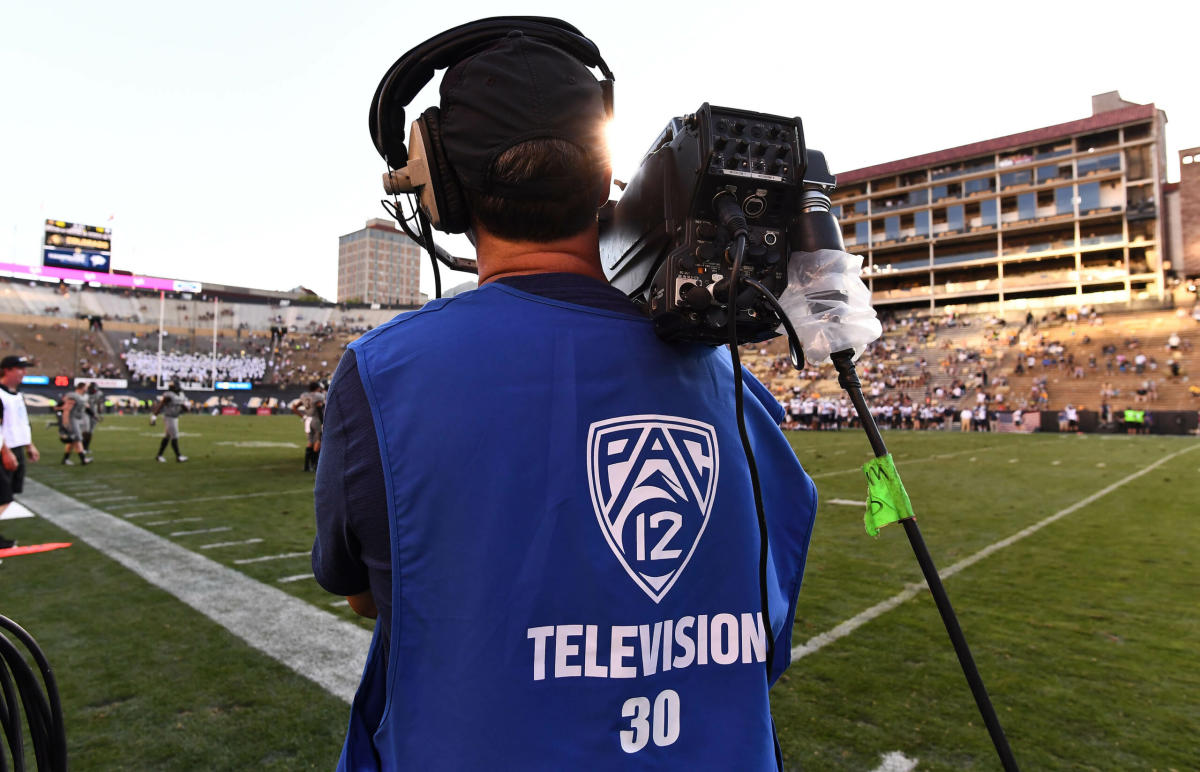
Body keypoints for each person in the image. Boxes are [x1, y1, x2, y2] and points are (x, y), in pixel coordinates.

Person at [311, 21, 818, 769]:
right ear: (602, 177)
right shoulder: (734, 387)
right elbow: (764, 632)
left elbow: (366, 593)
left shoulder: (384, 375)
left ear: (444, 186)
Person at [0, 356, 42, 549]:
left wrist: (28, 444)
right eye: (20, 369)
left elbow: (21, 422)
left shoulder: (16, 394)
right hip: (3, 450)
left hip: (16, 448)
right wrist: (5, 451)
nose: (24, 373)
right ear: (7, 370)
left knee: (10, 494)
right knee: (3, 496)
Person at [290, 381, 325, 472]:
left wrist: (303, 416)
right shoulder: (318, 396)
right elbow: (318, 408)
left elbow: (294, 407)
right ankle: (314, 464)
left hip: (307, 420)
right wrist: (323, 422)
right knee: (318, 441)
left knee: (310, 442)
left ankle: (306, 466)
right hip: (316, 419)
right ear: (317, 388)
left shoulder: (305, 396)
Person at [151, 382, 189, 462]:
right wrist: (154, 417)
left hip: (175, 417)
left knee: (167, 437)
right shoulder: (169, 395)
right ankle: (178, 456)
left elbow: (182, 405)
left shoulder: (180, 395)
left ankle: (159, 456)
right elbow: (161, 405)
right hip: (169, 418)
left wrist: (186, 408)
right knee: (174, 437)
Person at [58, 382, 91, 466]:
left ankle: (65, 459)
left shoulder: (82, 397)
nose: (87, 389)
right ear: (82, 387)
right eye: (86, 387)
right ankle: (83, 459)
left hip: (77, 419)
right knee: (78, 438)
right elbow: (66, 409)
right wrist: (65, 422)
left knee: (73, 440)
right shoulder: (73, 396)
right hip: (71, 419)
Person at [82, 382, 104, 455]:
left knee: (90, 432)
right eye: (92, 390)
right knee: (85, 430)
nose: (93, 391)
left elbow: (99, 403)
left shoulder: (99, 394)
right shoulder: (84, 394)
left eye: (95, 390)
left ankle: (86, 447)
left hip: (93, 413)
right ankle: (82, 447)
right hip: (85, 413)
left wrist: (100, 414)